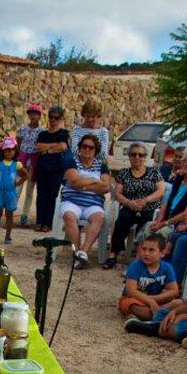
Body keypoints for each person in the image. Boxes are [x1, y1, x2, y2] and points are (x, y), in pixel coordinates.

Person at [104, 143, 165, 269]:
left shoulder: (153, 172)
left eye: (141, 155)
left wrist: (146, 200)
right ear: (129, 156)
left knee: (147, 223)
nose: (137, 157)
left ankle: (140, 257)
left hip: (149, 208)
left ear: (145, 157)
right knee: (121, 221)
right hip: (129, 206)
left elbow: (160, 191)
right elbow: (118, 193)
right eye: (133, 154)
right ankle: (113, 254)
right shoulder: (124, 173)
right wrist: (129, 203)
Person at [59, 134, 111, 269]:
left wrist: (83, 185)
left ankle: (83, 252)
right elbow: (74, 182)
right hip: (72, 201)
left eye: (91, 147)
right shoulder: (71, 162)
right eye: (84, 146)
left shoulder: (102, 166)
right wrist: (95, 182)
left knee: (100, 217)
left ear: (96, 150)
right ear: (80, 148)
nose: (87, 149)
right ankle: (77, 253)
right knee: (69, 216)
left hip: (93, 203)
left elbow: (106, 187)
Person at [146, 145, 187, 242]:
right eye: (184, 161)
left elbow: (186, 213)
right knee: (148, 226)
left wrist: (164, 223)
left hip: (181, 224)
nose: (185, 164)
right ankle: (139, 256)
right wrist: (159, 220)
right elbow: (166, 201)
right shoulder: (179, 179)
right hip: (167, 219)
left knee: (160, 233)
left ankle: (156, 256)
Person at [118, 233, 179, 320]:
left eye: (151, 250)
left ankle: (157, 315)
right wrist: (150, 302)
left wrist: (155, 299)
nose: (146, 253)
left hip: (156, 300)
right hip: (136, 299)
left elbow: (174, 290)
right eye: (144, 249)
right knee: (129, 304)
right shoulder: (135, 265)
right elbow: (131, 291)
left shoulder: (167, 268)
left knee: (179, 303)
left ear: (162, 253)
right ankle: (161, 316)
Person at [34, 105, 69, 232]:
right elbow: (38, 147)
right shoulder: (42, 133)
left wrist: (47, 149)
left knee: (52, 196)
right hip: (42, 168)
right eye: (51, 117)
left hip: (56, 169)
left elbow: (64, 146)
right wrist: (54, 147)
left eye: (56, 118)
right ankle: (39, 222)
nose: (53, 120)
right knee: (41, 195)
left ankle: (48, 223)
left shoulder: (63, 133)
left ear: (61, 119)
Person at [0, 136, 28, 244]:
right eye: (7, 150)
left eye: (11, 150)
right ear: (3, 151)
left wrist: (17, 183)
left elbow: (25, 175)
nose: (9, 152)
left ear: (15, 150)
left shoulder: (17, 164)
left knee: (9, 215)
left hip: (10, 192)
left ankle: (8, 236)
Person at [16, 103, 44, 226]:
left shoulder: (41, 132)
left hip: (34, 160)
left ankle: (25, 214)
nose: (33, 116)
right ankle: (11, 210)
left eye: (35, 114)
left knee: (29, 189)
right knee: (17, 187)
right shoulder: (22, 129)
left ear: (39, 116)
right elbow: (18, 143)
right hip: (22, 159)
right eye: (31, 113)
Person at [70, 98, 109, 163]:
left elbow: (103, 154)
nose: (90, 119)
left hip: (97, 168)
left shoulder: (103, 132)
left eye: (93, 116)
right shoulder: (77, 129)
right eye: (88, 116)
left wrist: (85, 155)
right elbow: (74, 151)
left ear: (98, 116)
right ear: (84, 115)